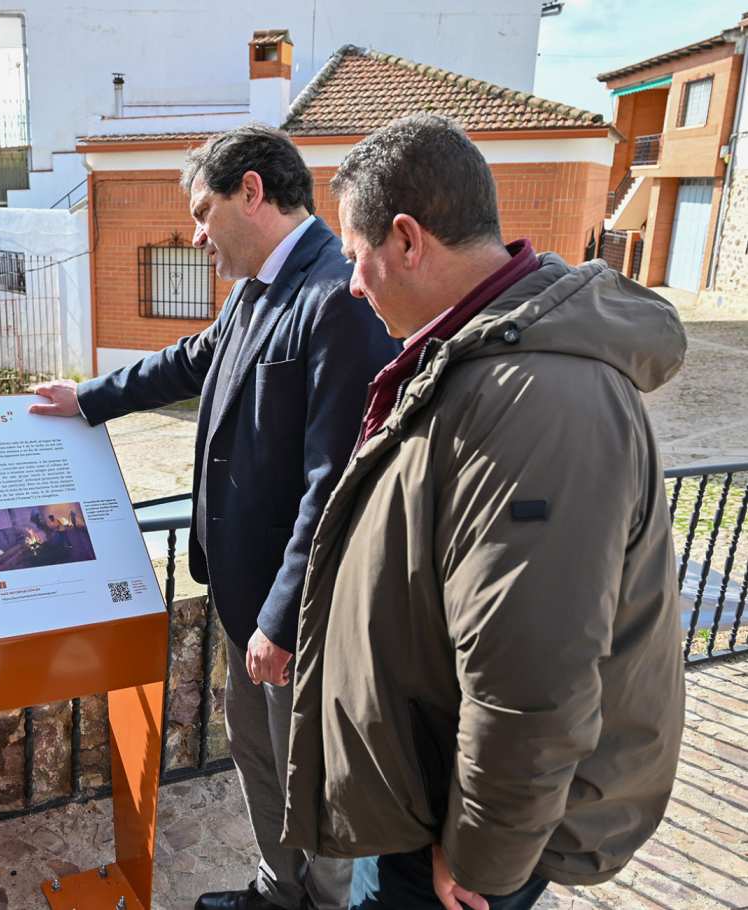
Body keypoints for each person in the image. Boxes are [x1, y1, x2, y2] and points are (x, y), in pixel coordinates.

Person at [282, 113, 686, 910]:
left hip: (456, 842)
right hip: (425, 793)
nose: (353, 283)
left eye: (357, 256)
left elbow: (533, 681)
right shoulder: (478, 357)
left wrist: (482, 858)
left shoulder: (536, 400)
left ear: (407, 240)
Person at [32, 124, 398, 910]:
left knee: (312, 778)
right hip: (243, 598)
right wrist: (88, 398)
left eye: (203, 212)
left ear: (252, 192)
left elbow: (333, 484)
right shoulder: (257, 291)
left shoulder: (334, 297)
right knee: (258, 758)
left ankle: (322, 903)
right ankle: (278, 890)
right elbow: (192, 360)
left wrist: (282, 619)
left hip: (294, 617)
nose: (196, 235)